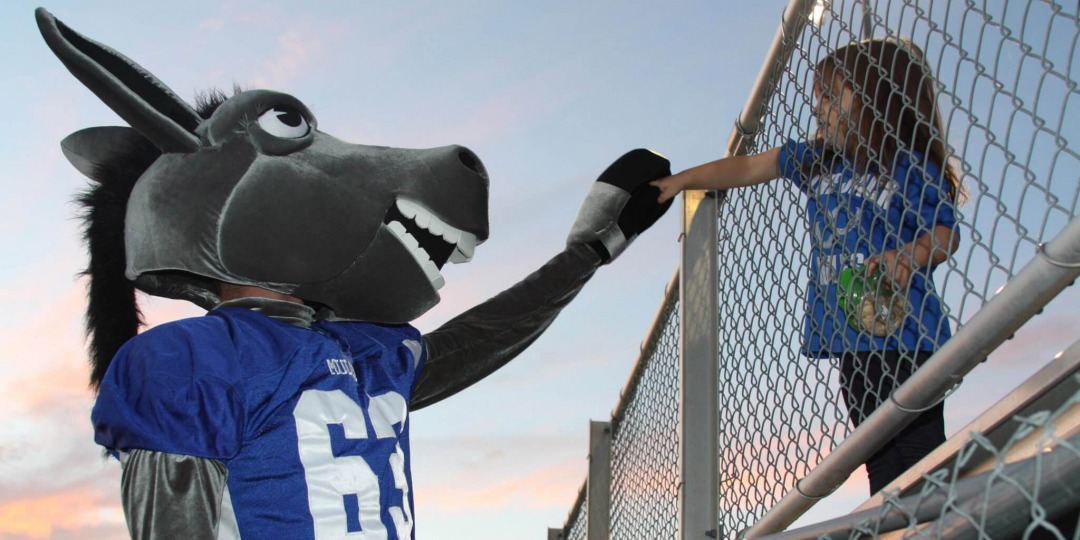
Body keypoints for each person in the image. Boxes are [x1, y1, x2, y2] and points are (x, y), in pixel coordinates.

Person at [651, 38, 963, 494]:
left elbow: (944, 233)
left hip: (906, 338)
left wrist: (910, 256)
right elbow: (745, 168)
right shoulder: (817, 161)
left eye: (833, 97)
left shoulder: (907, 166)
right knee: (878, 460)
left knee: (919, 454)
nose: (820, 109)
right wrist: (682, 180)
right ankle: (897, 521)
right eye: (819, 99)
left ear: (877, 97)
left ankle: (935, 519)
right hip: (852, 346)